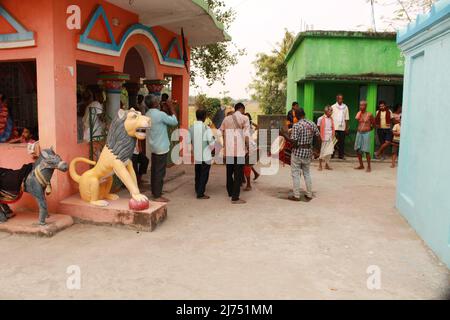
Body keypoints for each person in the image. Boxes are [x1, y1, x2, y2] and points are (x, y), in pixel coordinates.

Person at [283, 108, 321, 202]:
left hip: (297, 152)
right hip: (308, 152)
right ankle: (309, 194)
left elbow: (294, 142)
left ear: (296, 116)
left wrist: (284, 135)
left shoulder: (297, 126)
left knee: (296, 174)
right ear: (304, 114)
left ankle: (296, 195)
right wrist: (317, 151)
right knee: (307, 173)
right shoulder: (312, 124)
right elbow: (319, 138)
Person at [145, 95, 178, 203]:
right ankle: (157, 195)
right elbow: (174, 121)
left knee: (155, 170)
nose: (159, 102)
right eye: (157, 101)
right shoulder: (160, 115)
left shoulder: (147, 114)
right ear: (155, 103)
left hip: (153, 146)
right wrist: (171, 107)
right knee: (160, 172)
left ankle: (155, 191)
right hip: (162, 147)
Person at [220, 103, 251, 204]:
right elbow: (246, 135)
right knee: (238, 174)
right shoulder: (245, 118)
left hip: (229, 150)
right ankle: (235, 197)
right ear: (242, 109)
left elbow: (221, 132)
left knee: (229, 172)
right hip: (239, 151)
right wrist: (248, 147)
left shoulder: (227, 119)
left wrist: (224, 147)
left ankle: (230, 192)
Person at [188, 108, 215, 199]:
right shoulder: (206, 128)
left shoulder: (191, 128)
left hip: (197, 154)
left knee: (198, 173)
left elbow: (189, 141)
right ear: (204, 117)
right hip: (206, 155)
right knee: (204, 174)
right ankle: (200, 193)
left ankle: (197, 189)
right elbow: (211, 143)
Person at [354, 101, 375, 172]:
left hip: (366, 133)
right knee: (357, 149)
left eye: (362, 105)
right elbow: (356, 119)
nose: (361, 107)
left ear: (366, 106)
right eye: (360, 105)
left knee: (366, 151)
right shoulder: (359, 113)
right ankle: (361, 165)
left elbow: (374, 123)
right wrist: (360, 113)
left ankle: (369, 166)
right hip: (359, 133)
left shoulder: (369, 114)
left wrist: (370, 128)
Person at [243, 113, 260, 191]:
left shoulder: (247, 128)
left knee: (246, 166)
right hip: (250, 147)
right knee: (247, 165)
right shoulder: (248, 127)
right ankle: (255, 174)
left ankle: (248, 185)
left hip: (250, 148)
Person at [331, 94, 350, 160]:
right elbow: (330, 117)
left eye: (341, 99)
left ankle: (341, 155)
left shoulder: (345, 107)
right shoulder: (333, 107)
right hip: (335, 127)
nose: (340, 100)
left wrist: (346, 128)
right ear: (337, 99)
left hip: (342, 127)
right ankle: (332, 154)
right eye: (339, 99)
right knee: (333, 142)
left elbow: (347, 118)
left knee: (342, 142)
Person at [317, 106, 335, 171]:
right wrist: (319, 137)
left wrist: (333, 136)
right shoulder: (320, 119)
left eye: (332, 111)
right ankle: (320, 165)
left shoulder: (331, 119)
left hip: (330, 137)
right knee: (322, 151)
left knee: (329, 152)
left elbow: (332, 128)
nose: (331, 112)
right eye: (330, 111)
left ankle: (327, 165)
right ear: (326, 111)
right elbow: (318, 129)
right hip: (323, 137)